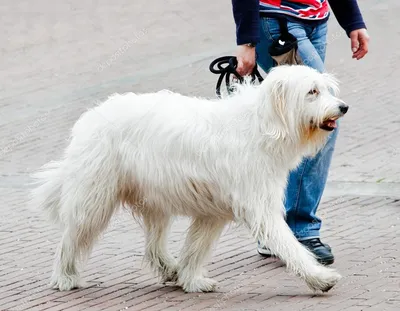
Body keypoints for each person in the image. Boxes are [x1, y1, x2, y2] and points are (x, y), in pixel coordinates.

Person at [230, 0, 370, 265]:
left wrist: (353, 20)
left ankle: (272, 228)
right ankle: (298, 230)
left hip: (315, 19)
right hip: (277, 20)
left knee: (293, 120)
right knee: (323, 118)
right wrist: (247, 41)